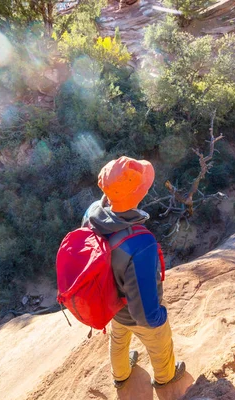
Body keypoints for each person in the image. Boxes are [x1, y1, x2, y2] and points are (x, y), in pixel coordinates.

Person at [81, 156, 186, 389]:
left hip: (112, 305)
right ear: (138, 194)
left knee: (118, 341)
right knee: (159, 344)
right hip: (135, 313)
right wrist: (160, 317)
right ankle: (165, 377)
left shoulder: (91, 215)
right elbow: (146, 316)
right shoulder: (141, 244)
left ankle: (120, 375)